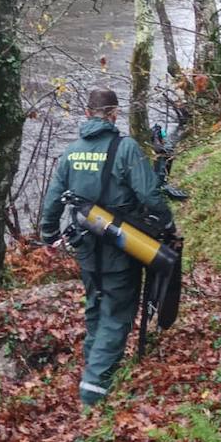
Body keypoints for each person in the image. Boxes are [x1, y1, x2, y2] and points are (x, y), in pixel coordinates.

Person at [41, 85, 173, 406]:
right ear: (114, 115)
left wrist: (47, 235)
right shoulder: (125, 149)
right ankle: (93, 390)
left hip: (86, 247)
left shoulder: (71, 152)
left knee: (96, 306)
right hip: (122, 246)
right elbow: (150, 195)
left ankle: (94, 366)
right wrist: (167, 225)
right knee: (117, 313)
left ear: (87, 114)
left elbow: (52, 202)